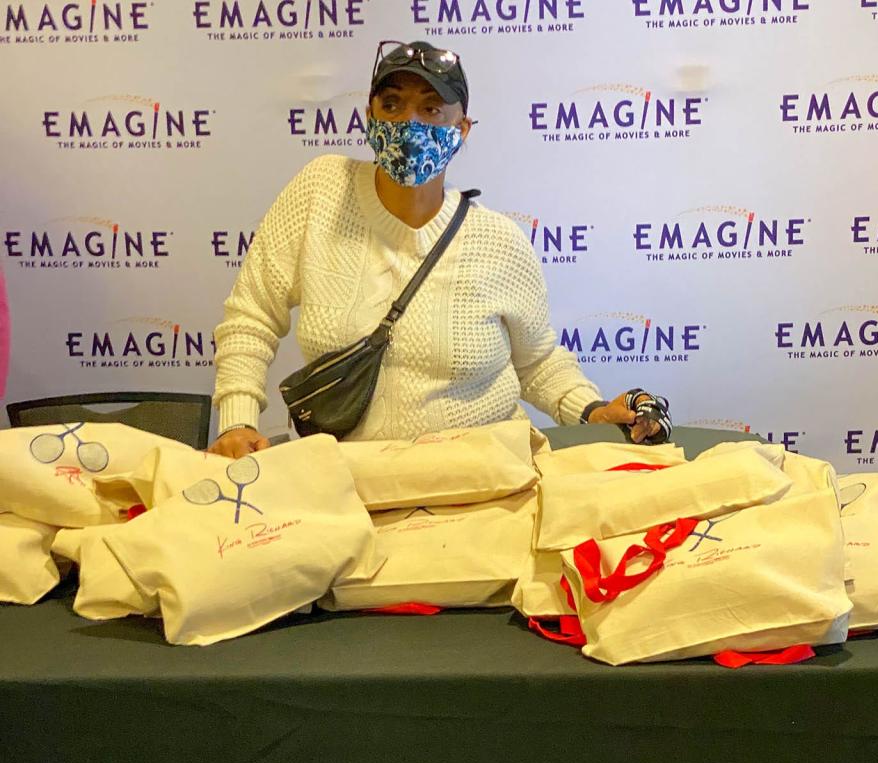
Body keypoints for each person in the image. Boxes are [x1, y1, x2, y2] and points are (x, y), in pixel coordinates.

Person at [209, 39, 671, 459]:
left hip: (485, 477)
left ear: (462, 128)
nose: (409, 123)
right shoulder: (320, 193)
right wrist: (238, 419)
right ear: (370, 118)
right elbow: (251, 318)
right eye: (392, 105)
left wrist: (590, 409)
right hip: (353, 482)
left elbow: (537, 362)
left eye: (432, 110)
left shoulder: (499, 241)